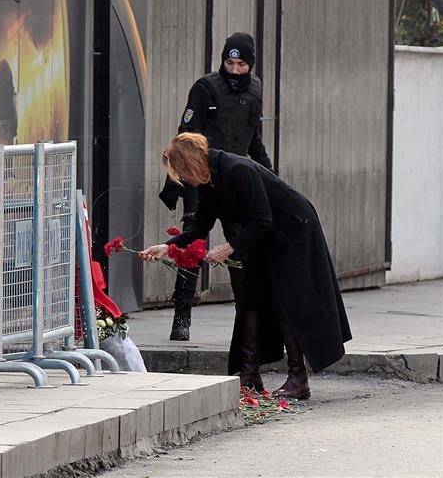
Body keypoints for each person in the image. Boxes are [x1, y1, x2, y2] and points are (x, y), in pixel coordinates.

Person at [143, 132, 351, 398]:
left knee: (285, 302)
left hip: (292, 228)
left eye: (182, 172)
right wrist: (168, 247)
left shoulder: (237, 170)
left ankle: (298, 379)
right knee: (250, 299)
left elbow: (262, 219)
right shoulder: (208, 181)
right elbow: (201, 226)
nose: (182, 179)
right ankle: (249, 375)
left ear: (192, 163)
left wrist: (229, 248)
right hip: (261, 236)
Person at [158, 32, 272, 341]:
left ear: (251, 65)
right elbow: (184, 138)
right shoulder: (206, 88)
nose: (234, 70)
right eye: (229, 62)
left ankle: (245, 320)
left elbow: (255, 138)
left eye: (241, 65)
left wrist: (270, 177)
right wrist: (175, 183)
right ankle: (182, 317)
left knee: (239, 247)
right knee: (194, 246)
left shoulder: (257, 90)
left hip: (237, 180)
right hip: (201, 177)